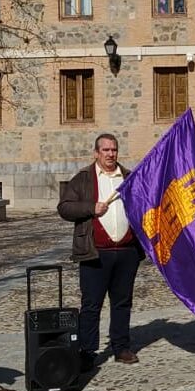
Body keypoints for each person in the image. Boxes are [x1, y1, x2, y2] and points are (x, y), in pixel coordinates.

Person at [57, 133, 142, 371]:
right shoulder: (84, 178)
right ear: (96, 153)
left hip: (126, 252)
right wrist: (90, 208)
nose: (110, 154)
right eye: (105, 150)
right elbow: (64, 207)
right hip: (95, 253)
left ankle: (121, 346)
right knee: (92, 304)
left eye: (113, 150)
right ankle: (88, 350)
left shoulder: (127, 177)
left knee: (122, 302)